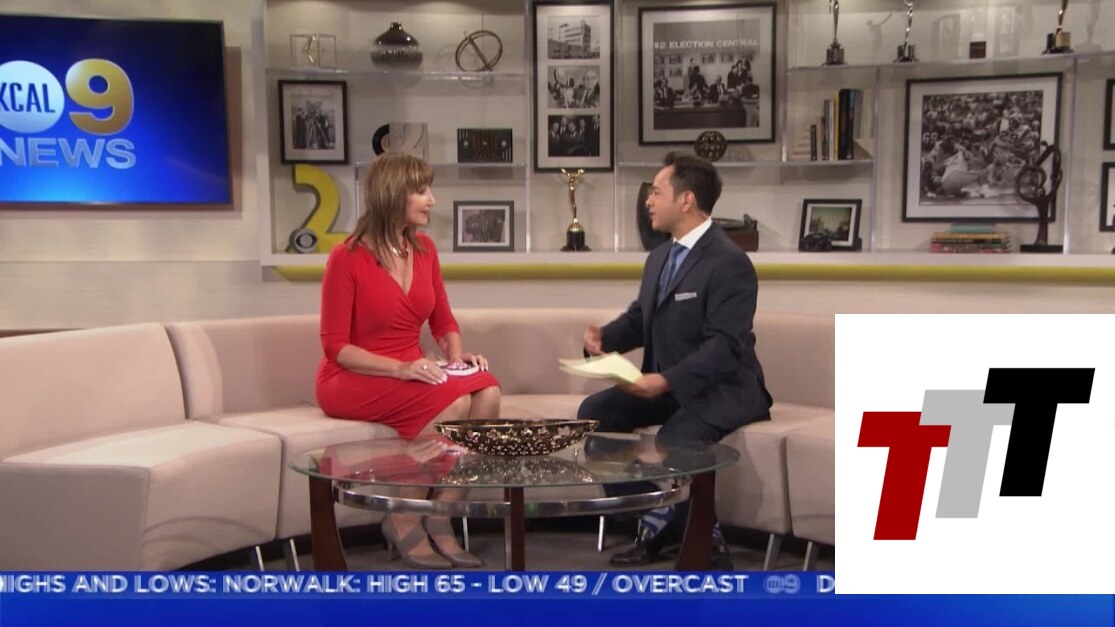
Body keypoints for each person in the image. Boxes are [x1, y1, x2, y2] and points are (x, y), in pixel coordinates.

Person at [577, 152, 772, 570]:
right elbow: (640, 319)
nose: (648, 201)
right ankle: (658, 519)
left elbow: (724, 347)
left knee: (677, 436)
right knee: (595, 416)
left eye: (656, 192)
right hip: (669, 387)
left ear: (686, 200)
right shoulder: (659, 257)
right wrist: (603, 339)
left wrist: (663, 381)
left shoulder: (729, 262)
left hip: (722, 389)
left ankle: (700, 539)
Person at [316, 153, 502, 569]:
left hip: (413, 369)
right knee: (453, 401)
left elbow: (443, 320)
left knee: (487, 389)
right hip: (353, 375)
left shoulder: (425, 250)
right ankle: (403, 516)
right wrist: (402, 368)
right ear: (392, 194)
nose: (431, 199)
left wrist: (457, 358)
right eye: (421, 191)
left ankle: (442, 514)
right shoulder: (346, 257)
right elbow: (335, 347)